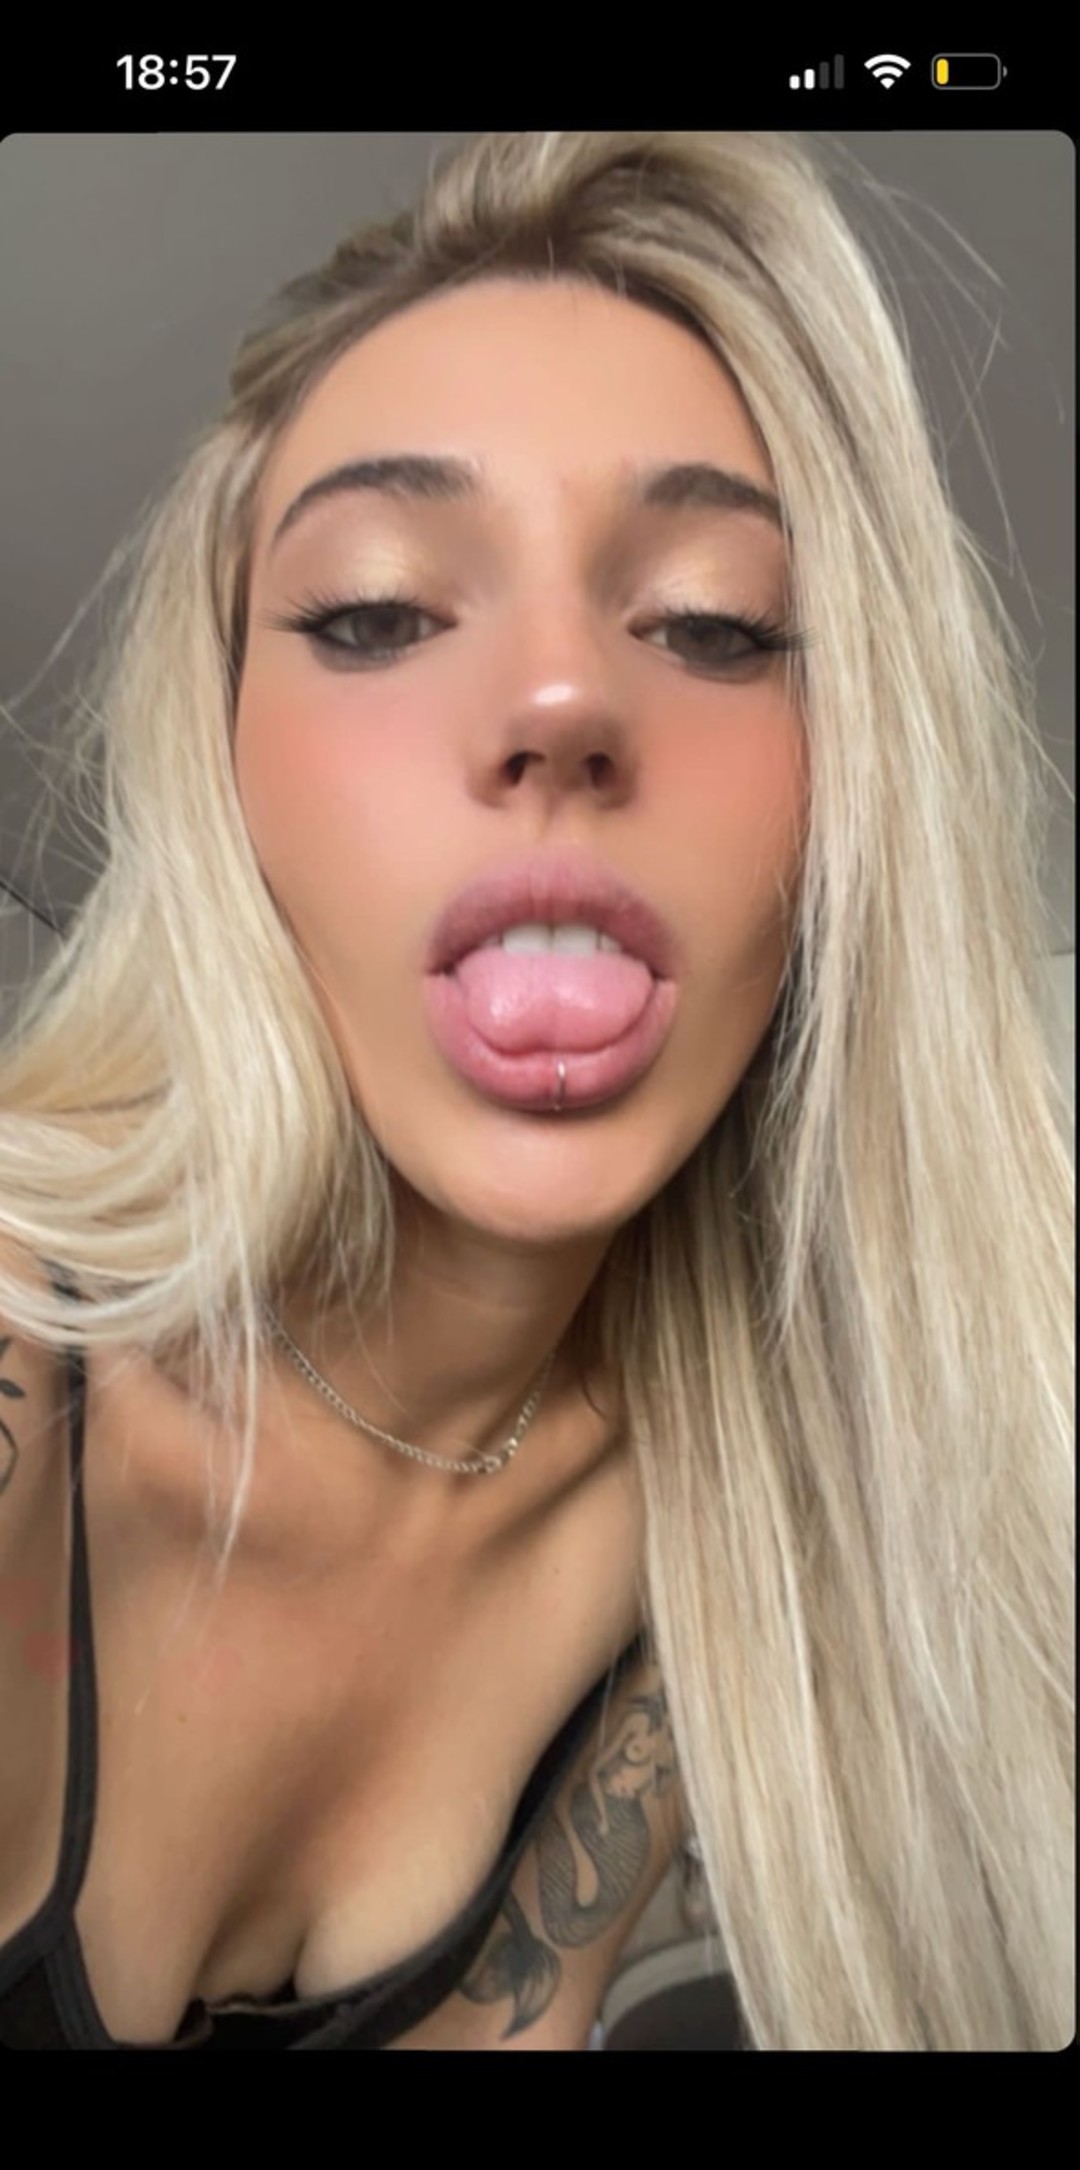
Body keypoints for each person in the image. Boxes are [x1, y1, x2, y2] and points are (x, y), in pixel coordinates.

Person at [0, 130, 1072, 2052]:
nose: (567, 699)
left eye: (715, 623)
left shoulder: (707, 1559)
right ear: (221, 767)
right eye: (379, 610)